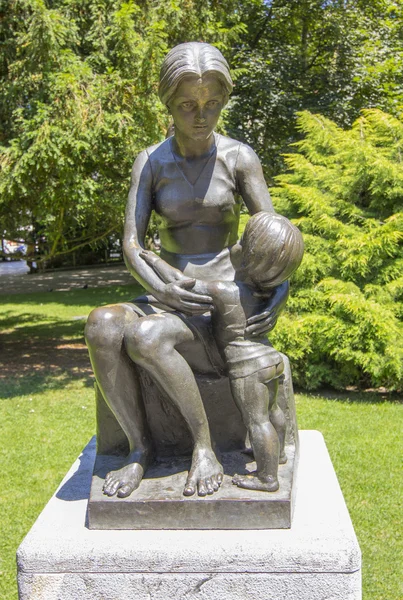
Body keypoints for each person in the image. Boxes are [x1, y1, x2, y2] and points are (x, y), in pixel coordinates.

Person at [85, 42, 290, 499]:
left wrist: (280, 289)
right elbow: (132, 244)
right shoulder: (152, 162)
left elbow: (270, 237)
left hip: (222, 297)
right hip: (166, 291)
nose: (201, 115)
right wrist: (164, 288)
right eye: (187, 105)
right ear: (168, 104)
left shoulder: (239, 158)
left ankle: (204, 449)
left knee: (146, 337)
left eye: (212, 104)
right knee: (102, 326)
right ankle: (140, 448)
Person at [140, 211, 304, 492]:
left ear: (247, 256)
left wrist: (152, 258)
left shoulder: (223, 290)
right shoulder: (268, 293)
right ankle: (278, 455)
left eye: (242, 241)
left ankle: (267, 478)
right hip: (269, 359)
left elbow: (183, 282)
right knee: (273, 410)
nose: (236, 245)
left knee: (257, 420)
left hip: (247, 367)